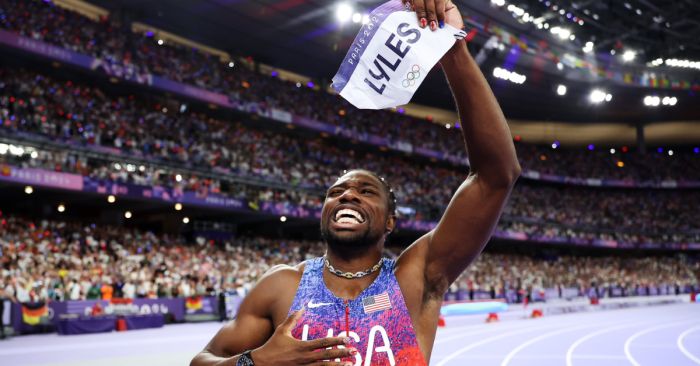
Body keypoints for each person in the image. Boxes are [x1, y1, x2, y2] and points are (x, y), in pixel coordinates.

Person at [191, 1, 520, 365]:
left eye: (366, 192)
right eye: (336, 192)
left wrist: (453, 49)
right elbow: (202, 360)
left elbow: (495, 176)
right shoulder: (281, 285)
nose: (348, 194)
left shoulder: (418, 276)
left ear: (390, 222)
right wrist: (255, 362)